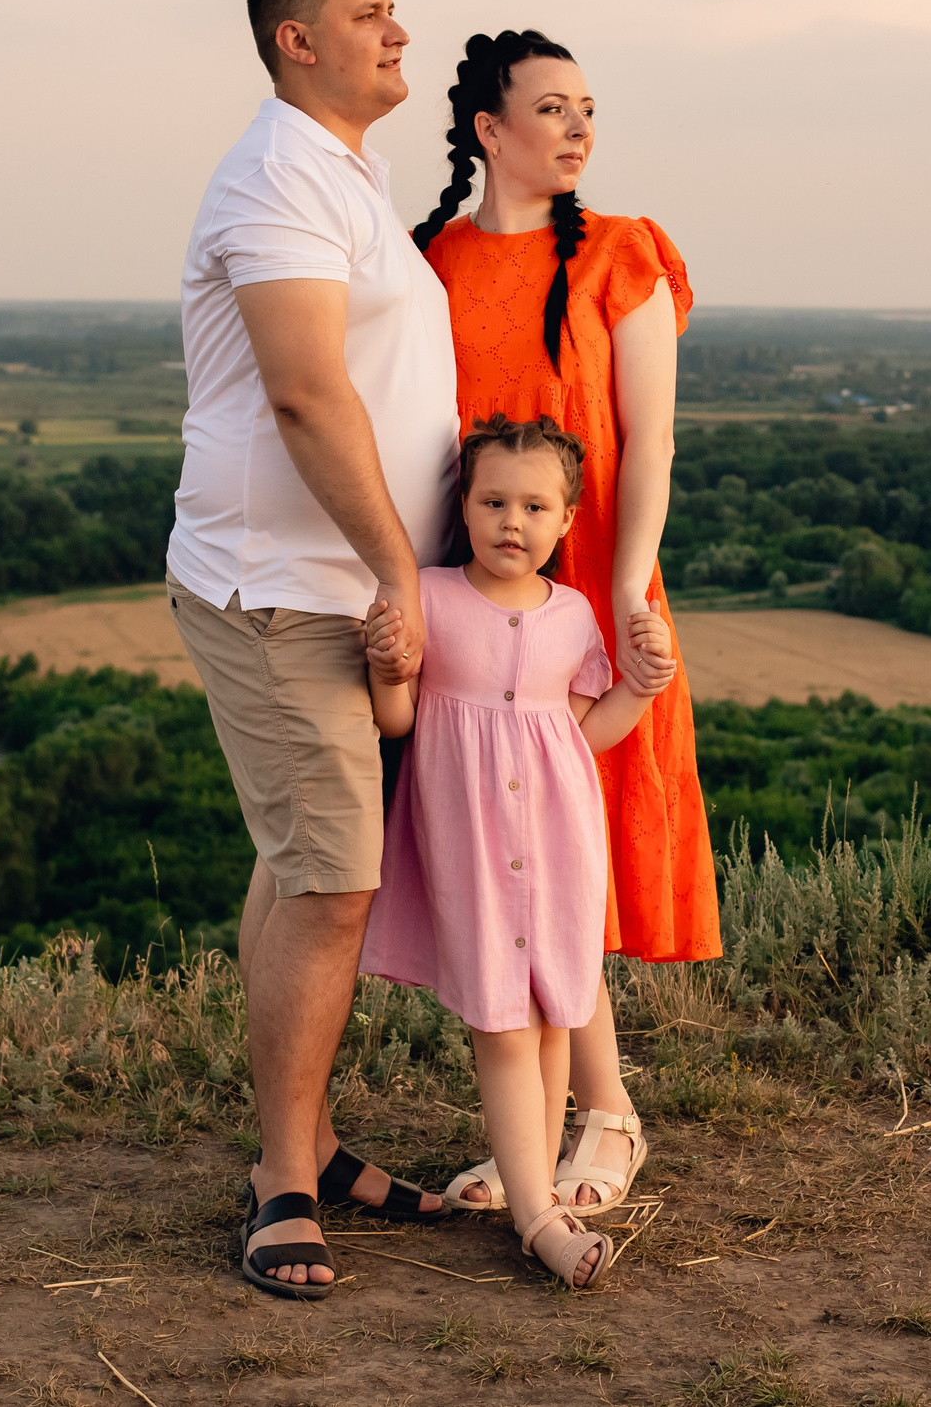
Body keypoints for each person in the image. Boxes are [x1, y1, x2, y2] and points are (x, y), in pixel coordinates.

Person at [165, 0, 459, 1300]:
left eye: (396, 9)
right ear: (299, 39)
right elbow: (302, 391)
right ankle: (283, 1176)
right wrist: (401, 570)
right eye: (371, 13)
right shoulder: (279, 173)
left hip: (330, 584)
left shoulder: (349, 173)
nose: (399, 30)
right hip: (279, 587)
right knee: (335, 873)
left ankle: (319, 1141)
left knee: (299, 863)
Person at [396, 29, 717, 1216]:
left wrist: (626, 590)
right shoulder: (429, 259)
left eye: (588, 108)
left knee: (580, 852)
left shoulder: (624, 257)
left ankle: (611, 1114)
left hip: (593, 584)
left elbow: (652, 443)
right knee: (503, 859)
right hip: (475, 596)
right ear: (489, 130)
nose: (579, 129)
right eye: (551, 108)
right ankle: (534, 1134)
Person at [358, 415, 676, 1286]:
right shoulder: (430, 594)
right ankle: (539, 1217)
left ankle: (525, 1173)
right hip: (469, 847)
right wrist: (389, 667)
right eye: (494, 500)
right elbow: (401, 722)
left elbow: (587, 730)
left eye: (536, 506)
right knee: (504, 1022)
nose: (512, 521)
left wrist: (640, 688)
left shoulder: (573, 614)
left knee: (547, 1017)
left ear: (567, 520)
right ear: (464, 503)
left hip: (560, 842)